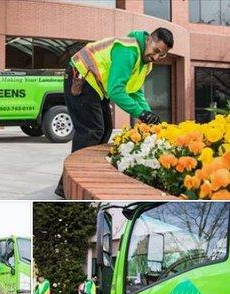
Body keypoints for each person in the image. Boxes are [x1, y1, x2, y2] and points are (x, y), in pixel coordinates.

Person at [55, 27, 174, 198]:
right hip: (81, 77)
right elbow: (116, 91)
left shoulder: (145, 64)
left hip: (96, 86)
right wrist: (141, 114)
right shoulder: (128, 51)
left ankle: (80, 179)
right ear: (148, 40)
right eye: (156, 51)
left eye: (161, 55)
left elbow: (135, 91)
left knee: (105, 129)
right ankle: (68, 187)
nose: (155, 57)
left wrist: (148, 114)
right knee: (91, 131)